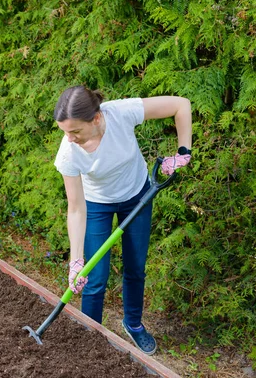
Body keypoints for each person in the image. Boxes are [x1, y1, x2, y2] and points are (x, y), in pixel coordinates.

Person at [53, 85, 192, 355]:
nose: (69, 138)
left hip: (137, 195)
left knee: (136, 267)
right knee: (93, 277)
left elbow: (181, 104)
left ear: (95, 118)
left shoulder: (120, 113)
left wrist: (183, 151)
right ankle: (89, 335)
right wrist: (76, 260)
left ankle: (133, 324)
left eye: (75, 131)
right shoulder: (69, 152)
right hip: (96, 205)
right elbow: (76, 208)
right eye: (65, 132)